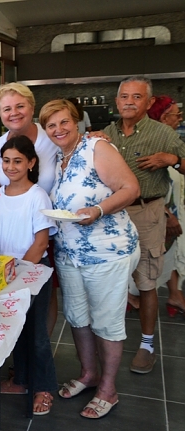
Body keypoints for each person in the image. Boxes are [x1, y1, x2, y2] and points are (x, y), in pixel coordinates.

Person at [40, 99, 140, 419]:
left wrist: (98, 210)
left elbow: (130, 188)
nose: (58, 129)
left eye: (64, 122)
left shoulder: (96, 146)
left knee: (106, 322)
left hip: (106, 250)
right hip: (69, 252)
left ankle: (108, 390)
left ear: (77, 122)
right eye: (51, 125)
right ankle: (89, 374)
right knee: (78, 317)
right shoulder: (58, 157)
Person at [102, 76, 185, 374]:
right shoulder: (107, 134)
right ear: (117, 101)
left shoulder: (162, 134)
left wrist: (172, 158)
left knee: (146, 281)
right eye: (124, 96)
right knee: (112, 280)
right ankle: (107, 340)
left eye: (136, 97)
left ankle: (147, 344)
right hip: (113, 215)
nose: (128, 102)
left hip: (147, 213)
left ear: (149, 103)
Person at [0, 135, 58, 416]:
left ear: (31, 163)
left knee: (36, 336)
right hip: (4, 274)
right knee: (17, 332)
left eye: (18, 161)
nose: (11, 167)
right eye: (6, 161)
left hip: (31, 274)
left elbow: (40, 243)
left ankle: (44, 388)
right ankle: (22, 379)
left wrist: (19, 275)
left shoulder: (37, 195)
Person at [0, 82, 60, 336]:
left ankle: (39, 352)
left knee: (43, 297)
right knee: (10, 302)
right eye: (6, 109)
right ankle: (17, 358)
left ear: (32, 107)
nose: (13, 113)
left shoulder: (53, 138)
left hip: (46, 232)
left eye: (19, 106)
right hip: (10, 239)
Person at [141, 95, 185, 317]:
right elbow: (143, 188)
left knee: (170, 254)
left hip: (171, 211)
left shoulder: (170, 144)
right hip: (157, 215)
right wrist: (168, 216)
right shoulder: (150, 146)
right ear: (162, 117)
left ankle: (175, 294)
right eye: (176, 115)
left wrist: (174, 159)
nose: (179, 118)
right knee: (152, 261)